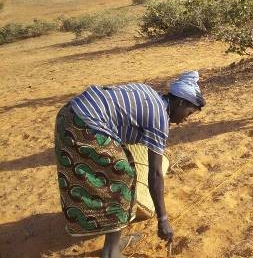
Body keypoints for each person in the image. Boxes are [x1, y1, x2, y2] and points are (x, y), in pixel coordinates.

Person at [54, 71, 205, 258]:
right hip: (83, 125)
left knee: (119, 170)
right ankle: (111, 252)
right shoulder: (159, 118)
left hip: (69, 115)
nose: (185, 120)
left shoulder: (153, 97)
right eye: (189, 113)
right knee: (121, 179)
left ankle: (114, 241)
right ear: (180, 102)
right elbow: (156, 174)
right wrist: (163, 219)